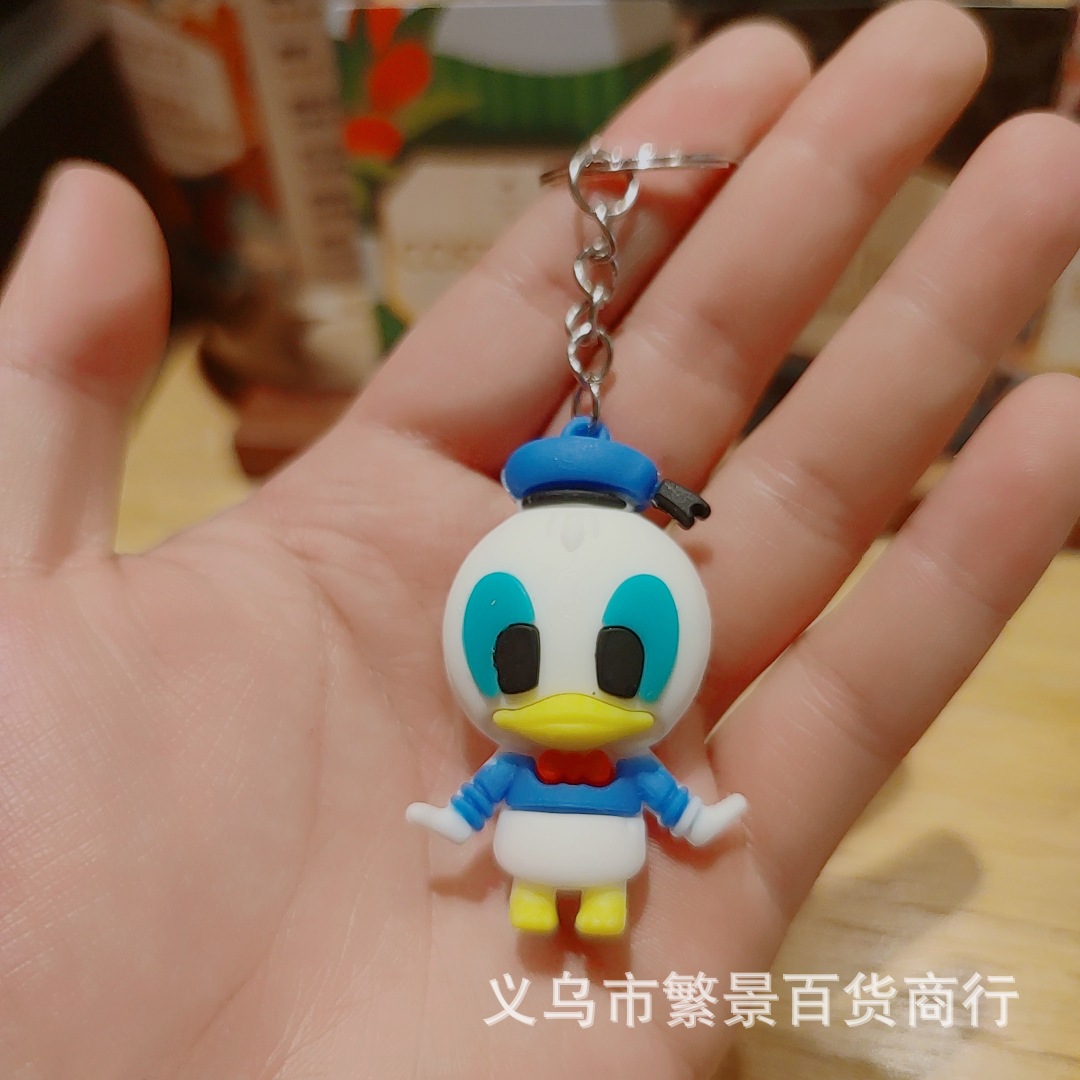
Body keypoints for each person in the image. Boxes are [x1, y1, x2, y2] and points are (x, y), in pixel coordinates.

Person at [0, 1, 1078, 1076]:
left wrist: (700, 824)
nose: (566, 694)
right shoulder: (532, 732)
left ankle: (593, 912)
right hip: (533, 856)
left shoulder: (617, 742)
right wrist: (451, 815)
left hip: (596, 855)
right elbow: (496, 797)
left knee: (598, 901)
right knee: (550, 891)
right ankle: (557, 907)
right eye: (517, 656)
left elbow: (663, 800)